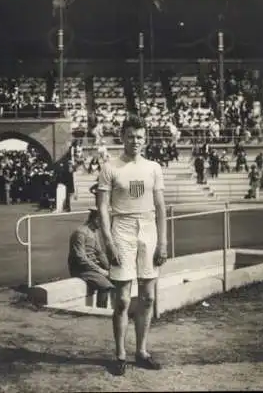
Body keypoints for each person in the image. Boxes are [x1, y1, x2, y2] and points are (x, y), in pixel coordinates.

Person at [97, 114, 167, 375]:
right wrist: (108, 241)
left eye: (139, 136)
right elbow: (103, 209)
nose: (135, 141)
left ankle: (142, 351)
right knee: (123, 300)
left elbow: (160, 208)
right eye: (130, 136)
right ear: (122, 137)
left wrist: (163, 242)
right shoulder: (110, 167)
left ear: (145, 138)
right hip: (122, 230)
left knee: (148, 297)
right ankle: (120, 354)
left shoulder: (153, 167)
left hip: (148, 229)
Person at [68, 207, 114, 308]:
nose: (103, 225)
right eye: (102, 221)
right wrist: (100, 270)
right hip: (81, 269)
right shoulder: (80, 233)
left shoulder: (93, 232)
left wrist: (108, 268)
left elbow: (100, 253)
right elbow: (81, 258)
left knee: (116, 279)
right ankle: (100, 312)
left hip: (92, 268)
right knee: (105, 286)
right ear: (96, 219)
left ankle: (115, 310)